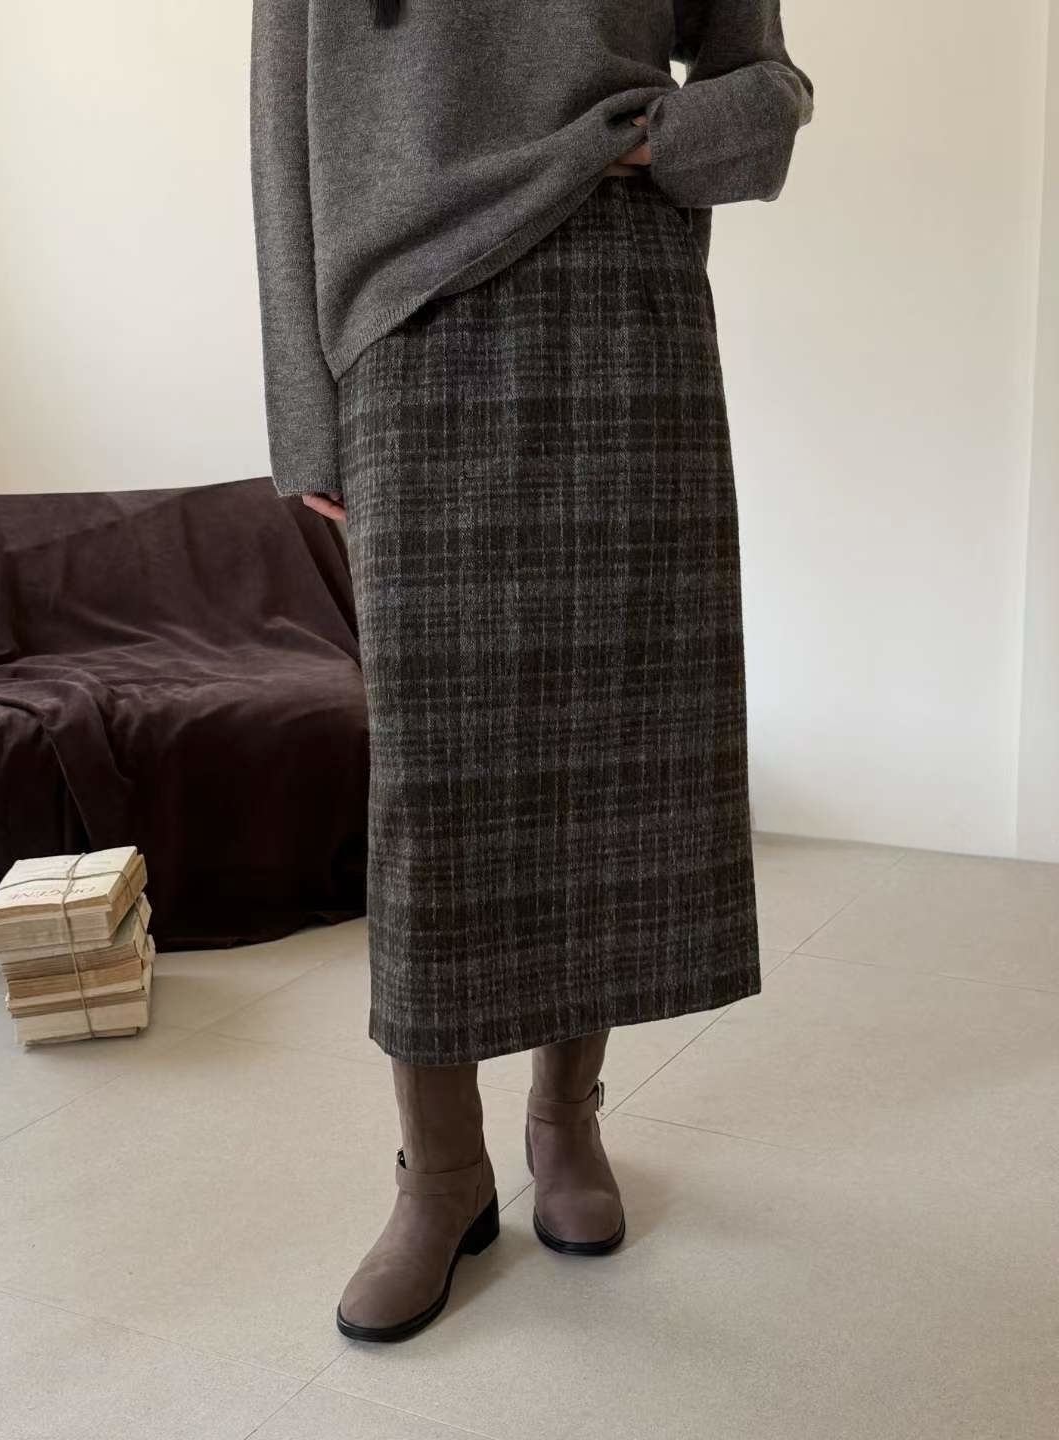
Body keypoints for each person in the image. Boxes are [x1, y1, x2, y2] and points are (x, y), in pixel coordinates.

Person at [250, 0, 814, 1343]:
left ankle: (567, 1119)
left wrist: (653, 137)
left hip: (625, 292)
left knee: (611, 745)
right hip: (408, 319)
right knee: (433, 785)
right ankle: (440, 1173)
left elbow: (766, 77)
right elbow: (281, 137)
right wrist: (304, 418)